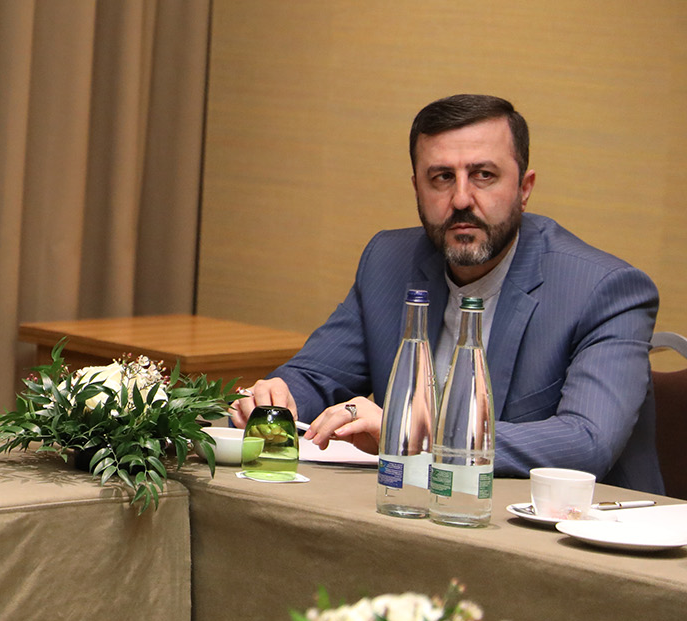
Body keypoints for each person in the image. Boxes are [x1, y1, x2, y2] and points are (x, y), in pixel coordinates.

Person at [230, 94, 661, 492]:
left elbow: (586, 442)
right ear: (416, 187)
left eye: (484, 175)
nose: (461, 199)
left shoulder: (604, 290)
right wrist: (278, 399)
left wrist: (412, 434)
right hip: (413, 509)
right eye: (441, 178)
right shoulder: (388, 261)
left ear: (524, 189)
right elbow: (317, 377)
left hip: (572, 530)